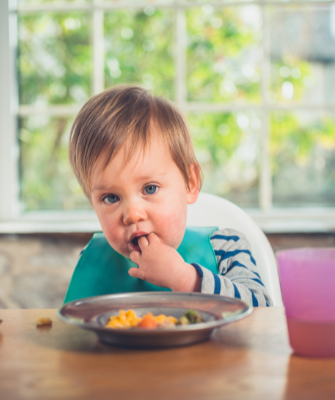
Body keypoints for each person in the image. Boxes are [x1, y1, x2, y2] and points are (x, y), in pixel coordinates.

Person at [64, 85, 271, 307]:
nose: (132, 214)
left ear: (190, 183)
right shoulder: (92, 256)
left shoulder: (226, 247)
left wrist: (184, 277)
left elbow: (261, 311)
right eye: (111, 198)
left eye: (150, 188)